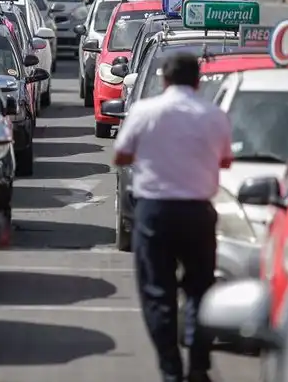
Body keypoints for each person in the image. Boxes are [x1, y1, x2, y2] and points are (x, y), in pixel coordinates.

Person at [113, 52, 233, 382]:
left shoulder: (145, 111)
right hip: (197, 211)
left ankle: (171, 369)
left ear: (164, 80)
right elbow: (225, 161)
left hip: (155, 212)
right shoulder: (214, 115)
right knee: (200, 289)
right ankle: (197, 363)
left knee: (157, 294)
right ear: (197, 81)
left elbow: (121, 153)